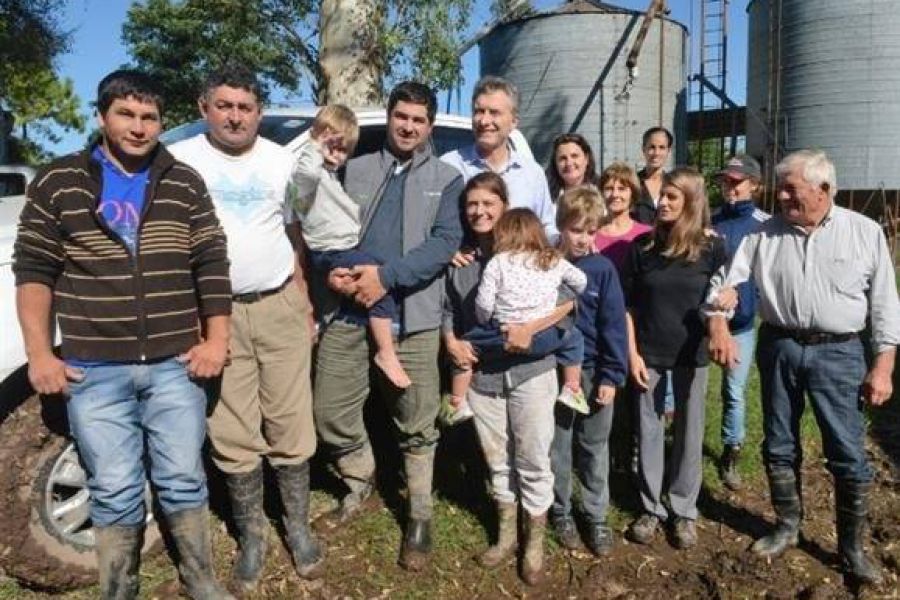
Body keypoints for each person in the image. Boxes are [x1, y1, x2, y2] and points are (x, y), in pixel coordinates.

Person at [13, 70, 233, 599]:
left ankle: (200, 578)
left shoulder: (182, 181)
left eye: (149, 117)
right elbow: (34, 271)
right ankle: (120, 589)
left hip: (175, 364)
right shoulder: (59, 181)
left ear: (161, 121)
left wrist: (217, 341)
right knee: (113, 488)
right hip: (96, 368)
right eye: (126, 114)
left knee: (182, 478)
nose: (138, 127)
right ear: (102, 116)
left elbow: (210, 262)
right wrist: (39, 354)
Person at [705, 150, 899, 586]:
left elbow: (886, 305)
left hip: (840, 353)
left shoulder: (864, 232)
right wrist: (720, 311)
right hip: (780, 348)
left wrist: (883, 365)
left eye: (792, 187)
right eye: (781, 186)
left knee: (847, 452)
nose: (783, 194)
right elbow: (725, 282)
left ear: (824, 189)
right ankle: (787, 526)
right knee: (778, 443)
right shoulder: (761, 235)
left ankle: (851, 549)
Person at [168, 65, 322, 591]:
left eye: (245, 106)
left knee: (291, 420)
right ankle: (252, 535)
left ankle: (297, 527)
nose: (235, 116)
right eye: (225, 105)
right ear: (204, 107)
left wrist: (303, 300)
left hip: (279, 303)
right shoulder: (181, 162)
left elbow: (294, 230)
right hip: (216, 312)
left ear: (259, 112)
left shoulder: (284, 162)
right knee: (233, 428)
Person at [312, 81, 464, 572]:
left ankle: (419, 514)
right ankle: (361, 479)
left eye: (418, 120)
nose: (408, 126)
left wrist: (387, 277)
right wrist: (328, 267)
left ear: (429, 126)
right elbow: (320, 225)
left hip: (413, 315)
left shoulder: (447, 177)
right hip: (348, 312)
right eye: (401, 116)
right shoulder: (355, 168)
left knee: (417, 419)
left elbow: (444, 244)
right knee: (329, 409)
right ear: (390, 115)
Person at [442, 172, 575, 585]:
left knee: (533, 457)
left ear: (504, 208)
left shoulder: (534, 257)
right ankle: (506, 535)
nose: (480, 212)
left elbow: (565, 312)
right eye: (472, 205)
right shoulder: (461, 263)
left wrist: (530, 332)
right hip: (483, 379)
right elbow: (452, 311)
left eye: (488, 204)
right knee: (496, 459)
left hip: (531, 374)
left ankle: (533, 541)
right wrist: (450, 340)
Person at [622, 168, 727, 549]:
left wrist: (725, 314)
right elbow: (629, 307)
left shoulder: (712, 248)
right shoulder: (643, 249)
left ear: (691, 203)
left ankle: (684, 510)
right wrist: (632, 354)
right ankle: (651, 508)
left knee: (689, 432)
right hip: (648, 352)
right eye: (662, 196)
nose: (662, 203)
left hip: (691, 354)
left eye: (672, 198)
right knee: (649, 431)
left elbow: (726, 296)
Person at [292, 104, 411, 388]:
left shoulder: (330, 176)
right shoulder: (309, 172)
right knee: (380, 280)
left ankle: (384, 350)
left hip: (337, 250)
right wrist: (314, 147)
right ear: (315, 138)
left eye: (344, 150)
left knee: (378, 278)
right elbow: (303, 181)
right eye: (332, 145)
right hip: (329, 252)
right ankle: (386, 352)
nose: (336, 154)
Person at [549, 186, 628, 556]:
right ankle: (560, 510)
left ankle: (595, 515)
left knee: (594, 446)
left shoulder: (603, 270)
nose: (582, 239)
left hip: (596, 371)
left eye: (590, 231)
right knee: (558, 446)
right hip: (555, 371)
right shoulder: (546, 265)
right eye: (576, 229)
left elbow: (613, 324)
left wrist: (612, 375)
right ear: (561, 226)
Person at [452, 208, 588, 414]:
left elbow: (485, 302)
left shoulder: (498, 261)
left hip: (503, 333)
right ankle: (572, 388)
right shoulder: (552, 258)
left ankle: (457, 402)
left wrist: (484, 321)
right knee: (575, 337)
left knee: (464, 350)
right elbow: (581, 281)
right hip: (544, 334)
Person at [709, 155, 769, 490]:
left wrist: (750, 298)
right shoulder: (710, 220)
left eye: (736, 182)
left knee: (733, 390)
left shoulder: (765, 224)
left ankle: (731, 450)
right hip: (703, 323)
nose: (729, 188)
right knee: (681, 386)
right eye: (725, 182)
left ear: (754, 185)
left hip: (742, 326)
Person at [442, 75, 557, 237]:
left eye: (494, 113)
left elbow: (546, 227)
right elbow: (433, 225)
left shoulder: (532, 173)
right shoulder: (450, 166)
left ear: (513, 122)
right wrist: (449, 251)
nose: (484, 120)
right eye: (479, 111)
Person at [594, 162, 653, 272]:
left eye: (621, 189)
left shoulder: (646, 234)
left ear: (632, 194)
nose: (615, 194)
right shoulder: (590, 233)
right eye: (609, 188)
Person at [632, 126, 673, 225]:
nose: (656, 153)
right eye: (652, 147)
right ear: (643, 149)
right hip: (638, 239)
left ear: (669, 151)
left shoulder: (674, 184)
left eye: (662, 147)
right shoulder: (632, 183)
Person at [545, 132, 600, 199]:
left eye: (574, 156)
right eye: (563, 158)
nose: (569, 163)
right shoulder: (546, 196)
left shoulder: (602, 192)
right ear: (555, 163)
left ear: (586, 159)